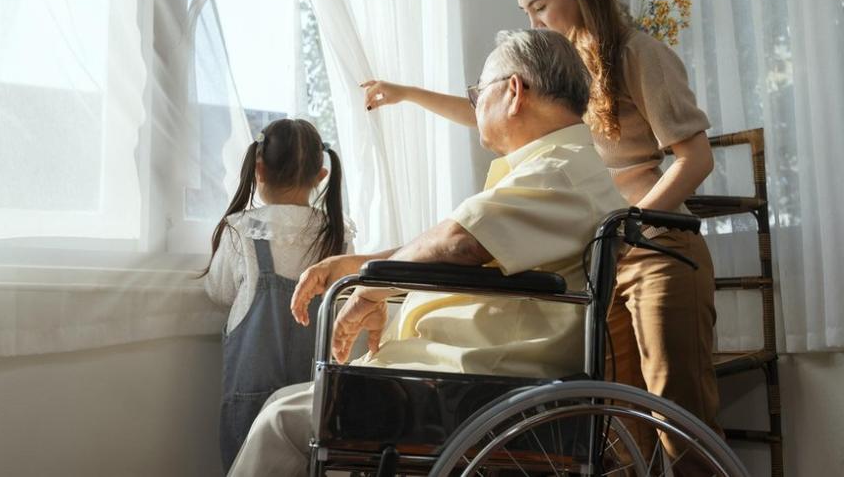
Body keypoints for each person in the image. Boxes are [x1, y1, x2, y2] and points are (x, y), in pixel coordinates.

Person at [359, 0, 720, 470]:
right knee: (616, 419)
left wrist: (629, 228)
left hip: (654, 248)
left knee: (673, 411)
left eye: (540, 7)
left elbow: (695, 158)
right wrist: (407, 93)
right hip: (600, 254)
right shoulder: (566, 74)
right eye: (526, 12)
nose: (534, 22)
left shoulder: (639, 54)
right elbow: (491, 107)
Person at [227, 29, 628, 476]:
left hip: (478, 382)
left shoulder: (557, 172)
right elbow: (461, 243)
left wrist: (372, 288)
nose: (475, 106)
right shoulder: (559, 168)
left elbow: (458, 243)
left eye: (478, 93)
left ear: (513, 92)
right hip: (475, 371)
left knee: (279, 422)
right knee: (285, 402)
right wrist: (359, 267)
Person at [199, 118, 354, 472]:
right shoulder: (338, 239)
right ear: (321, 176)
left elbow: (220, 291)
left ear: (259, 169)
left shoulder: (242, 231)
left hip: (250, 402)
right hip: (312, 404)